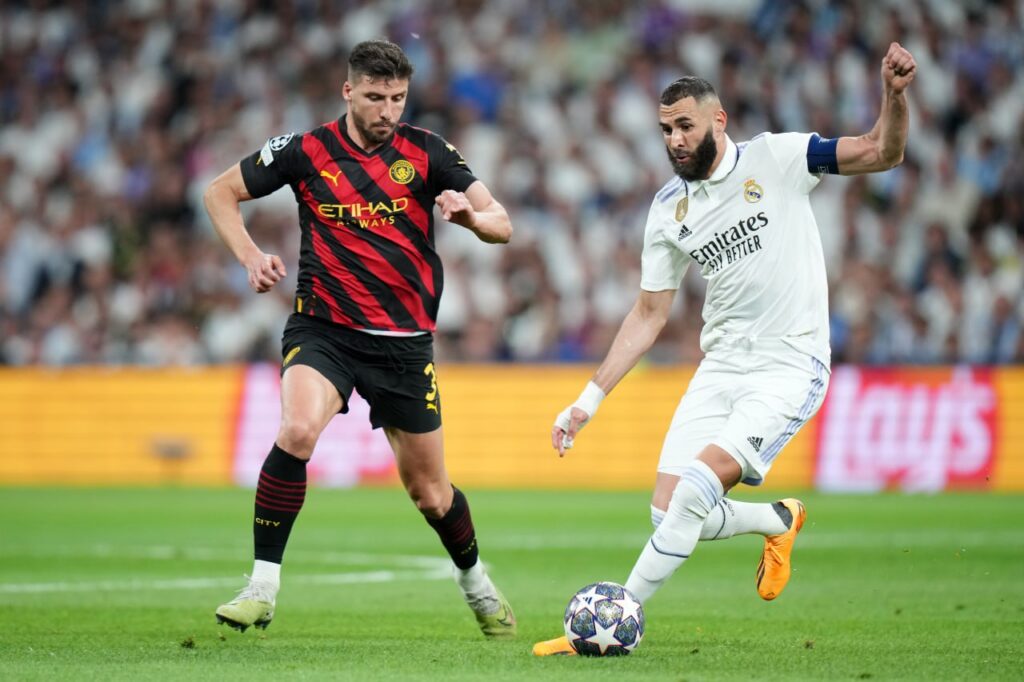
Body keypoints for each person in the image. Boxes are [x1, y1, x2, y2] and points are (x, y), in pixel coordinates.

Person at [533, 42, 916, 655]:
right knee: (670, 513)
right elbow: (650, 312)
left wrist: (893, 97)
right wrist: (588, 399)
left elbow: (882, 151)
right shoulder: (668, 211)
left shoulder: (779, 158)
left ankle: (611, 623)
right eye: (665, 130)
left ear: (719, 120)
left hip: (789, 365)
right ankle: (777, 520)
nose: (674, 140)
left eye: (684, 125)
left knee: (695, 490)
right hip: (722, 368)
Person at [203, 39, 516, 638]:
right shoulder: (305, 150)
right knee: (296, 429)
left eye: (397, 98)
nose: (387, 110)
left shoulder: (427, 152)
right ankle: (261, 587)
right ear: (348, 91)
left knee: (431, 494)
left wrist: (472, 219)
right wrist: (248, 257)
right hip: (324, 329)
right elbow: (220, 192)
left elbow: (501, 222)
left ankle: (476, 583)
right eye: (375, 97)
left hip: (403, 343)